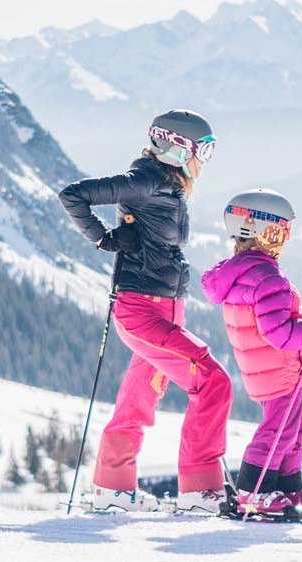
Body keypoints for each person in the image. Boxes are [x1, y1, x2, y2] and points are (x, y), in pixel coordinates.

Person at [58, 109, 234, 513]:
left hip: (168, 307)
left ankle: (112, 492)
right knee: (212, 381)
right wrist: (103, 239)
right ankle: (201, 494)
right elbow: (74, 195)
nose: (204, 161)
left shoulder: (167, 185)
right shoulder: (145, 181)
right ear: (177, 148)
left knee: (137, 402)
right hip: (142, 310)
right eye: (202, 151)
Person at [199, 189, 302, 521]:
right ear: (257, 231)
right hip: (278, 369)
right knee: (277, 431)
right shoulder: (267, 277)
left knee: (294, 430)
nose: (281, 242)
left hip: (270, 369)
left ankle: (287, 485)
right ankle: (254, 491)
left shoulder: (240, 273)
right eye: (278, 233)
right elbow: (280, 334)